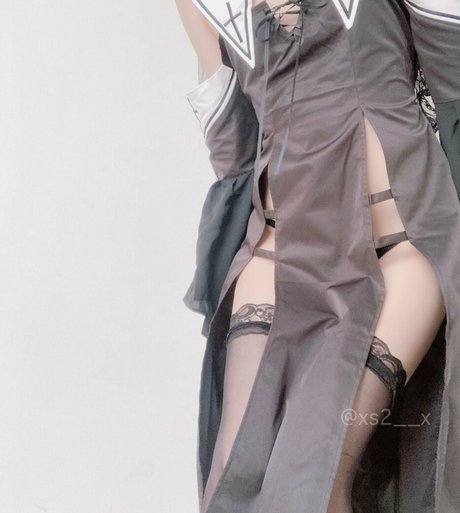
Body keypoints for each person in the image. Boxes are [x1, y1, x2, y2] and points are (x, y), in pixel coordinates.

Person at [177, 1, 460, 512]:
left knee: (318, 479)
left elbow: (452, 80)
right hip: (280, 256)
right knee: (231, 484)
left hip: (399, 247)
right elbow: (236, 152)